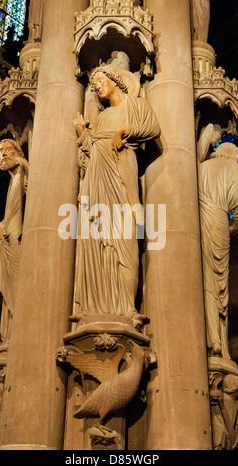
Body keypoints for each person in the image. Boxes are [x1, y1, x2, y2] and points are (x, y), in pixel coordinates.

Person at [72, 66, 160, 324]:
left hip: (121, 171)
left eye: (101, 81)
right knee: (96, 237)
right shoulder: (102, 117)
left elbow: (152, 128)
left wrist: (124, 133)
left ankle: (128, 308)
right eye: (95, 84)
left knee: (125, 236)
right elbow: (92, 149)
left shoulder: (137, 105)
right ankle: (91, 305)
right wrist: (82, 132)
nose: (98, 87)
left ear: (115, 80)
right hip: (96, 179)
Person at [198, 142, 238, 358]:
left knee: (206, 280)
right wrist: (236, 223)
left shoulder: (201, 167)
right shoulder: (229, 166)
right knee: (220, 283)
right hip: (218, 222)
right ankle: (219, 340)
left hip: (201, 221)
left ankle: (213, 340)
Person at [0, 139, 29, 348]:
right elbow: (11, 213)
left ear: (18, 152)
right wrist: (1, 222)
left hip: (19, 239)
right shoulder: (12, 180)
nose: (3, 155)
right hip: (9, 237)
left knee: (16, 285)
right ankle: (9, 336)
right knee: (9, 290)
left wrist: (25, 164)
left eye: (7, 150)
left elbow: (38, 192)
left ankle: (20, 332)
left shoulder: (22, 174)